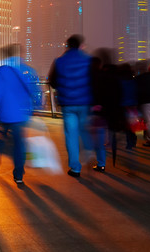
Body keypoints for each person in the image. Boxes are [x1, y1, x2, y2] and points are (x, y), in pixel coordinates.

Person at [0, 44, 36, 184]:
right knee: (19, 144)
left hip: (5, 113)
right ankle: (18, 174)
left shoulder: (2, 72)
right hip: (21, 114)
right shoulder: (25, 70)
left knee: (0, 139)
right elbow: (32, 89)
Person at [48, 34, 94, 177]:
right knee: (84, 129)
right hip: (85, 102)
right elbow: (94, 80)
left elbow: (53, 81)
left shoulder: (60, 61)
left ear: (67, 45)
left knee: (71, 135)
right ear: (81, 45)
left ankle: (75, 168)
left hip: (68, 103)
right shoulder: (88, 60)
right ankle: (89, 150)